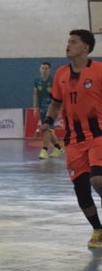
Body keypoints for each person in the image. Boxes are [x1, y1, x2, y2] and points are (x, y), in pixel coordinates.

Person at [40, 30, 102, 249]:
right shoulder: (61, 74)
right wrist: (48, 120)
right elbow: (56, 103)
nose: (68, 45)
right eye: (68, 41)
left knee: (98, 180)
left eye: (73, 42)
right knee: (81, 190)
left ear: (85, 47)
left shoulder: (99, 71)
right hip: (73, 141)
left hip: (98, 136)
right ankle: (97, 229)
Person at [34, 61, 63, 159]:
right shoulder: (37, 80)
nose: (44, 70)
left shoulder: (54, 80)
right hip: (42, 108)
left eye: (46, 68)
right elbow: (35, 94)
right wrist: (35, 107)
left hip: (51, 109)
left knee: (46, 129)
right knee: (49, 130)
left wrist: (59, 109)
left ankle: (44, 150)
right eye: (42, 68)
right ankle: (58, 148)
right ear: (40, 69)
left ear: (49, 70)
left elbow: (58, 96)